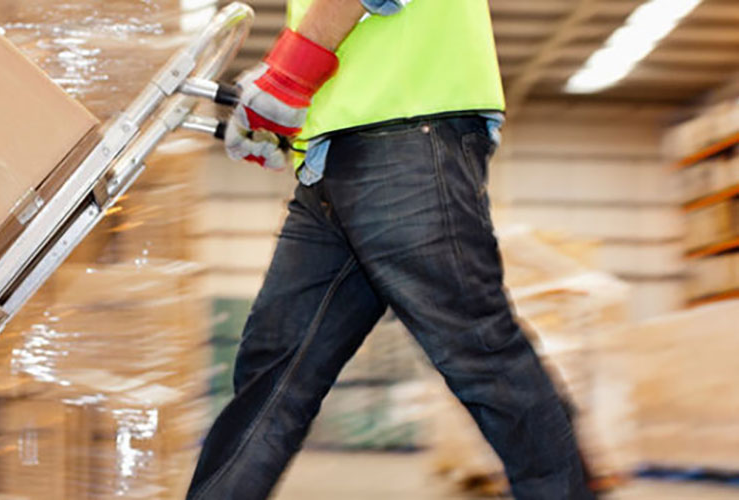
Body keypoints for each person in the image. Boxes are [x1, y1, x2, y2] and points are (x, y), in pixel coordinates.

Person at [186, 1, 596, 499]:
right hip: (326, 163)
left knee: (482, 358)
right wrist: (286, 118)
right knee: (273, 374)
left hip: (409, 132)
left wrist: (286, 76)